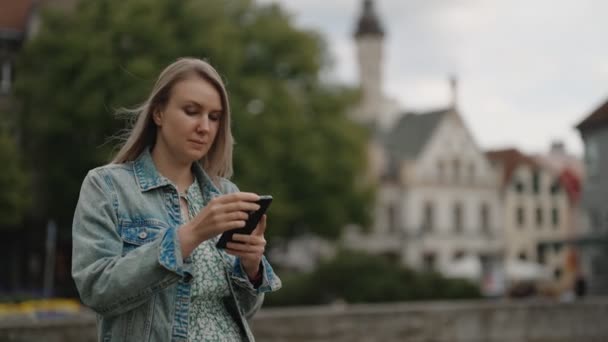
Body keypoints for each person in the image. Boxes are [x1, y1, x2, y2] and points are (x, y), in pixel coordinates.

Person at [71, 57, 281, 341]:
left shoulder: (225, 194)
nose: (204, 127)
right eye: (191, 111)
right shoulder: (107, 186)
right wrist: (189, 236)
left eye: (214, 117)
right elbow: (96, 289)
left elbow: (244, 312)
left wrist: (251, 267)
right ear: (158, 113)